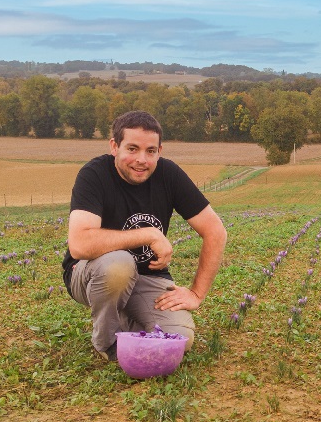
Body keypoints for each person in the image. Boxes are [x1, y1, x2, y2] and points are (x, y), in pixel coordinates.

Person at [62, 110, 227, 361]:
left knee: (179, 338)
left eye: (150, 151)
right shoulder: (94, 175)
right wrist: (148, 235)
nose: (142, 160)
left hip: (147, 277)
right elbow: (79, 245)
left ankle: (125, 319)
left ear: (159, 151)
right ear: (114, 146)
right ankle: (107, 343)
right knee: (119, 264)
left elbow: (215, 231)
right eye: (132, 149)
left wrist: (196, 293)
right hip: (91, 273)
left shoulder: (169, 175)